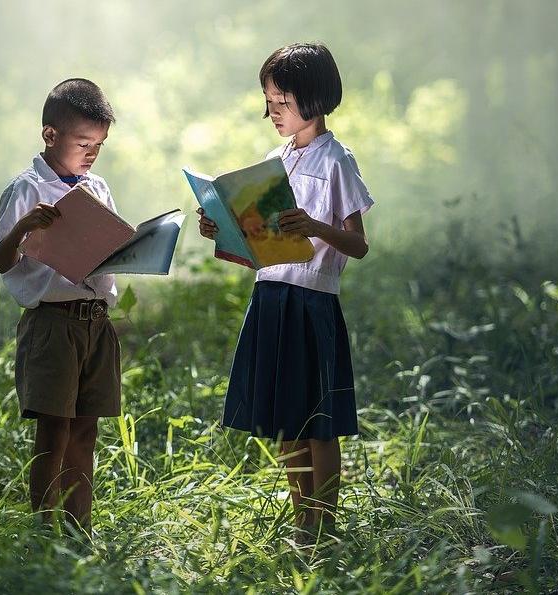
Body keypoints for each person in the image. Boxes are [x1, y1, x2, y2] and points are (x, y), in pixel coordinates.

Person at [197, 43, 373, 542]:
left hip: (312, 299)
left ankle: (327, 525)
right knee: (288, 420)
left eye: (279, 102)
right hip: (270, 295)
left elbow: (357, 244)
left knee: (320, 419)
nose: (269, 113)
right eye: (268, 102)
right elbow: (257, 242)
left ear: (312, 99)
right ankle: (304, 521)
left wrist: (316, 224)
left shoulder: (338, 160)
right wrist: (224, 228)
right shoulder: (276, 161)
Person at [0, 78, 121, 531]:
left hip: (95, 323)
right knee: (54, 433)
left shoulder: (97, 187)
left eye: (99, 144)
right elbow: (0, 260)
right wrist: (24, 226)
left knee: (86, 431)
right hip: (53, 325)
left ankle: (78, 528)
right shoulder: (26, 188)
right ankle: (46, 530)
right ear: (50, 135)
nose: (91, 153)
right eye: (83, 142)